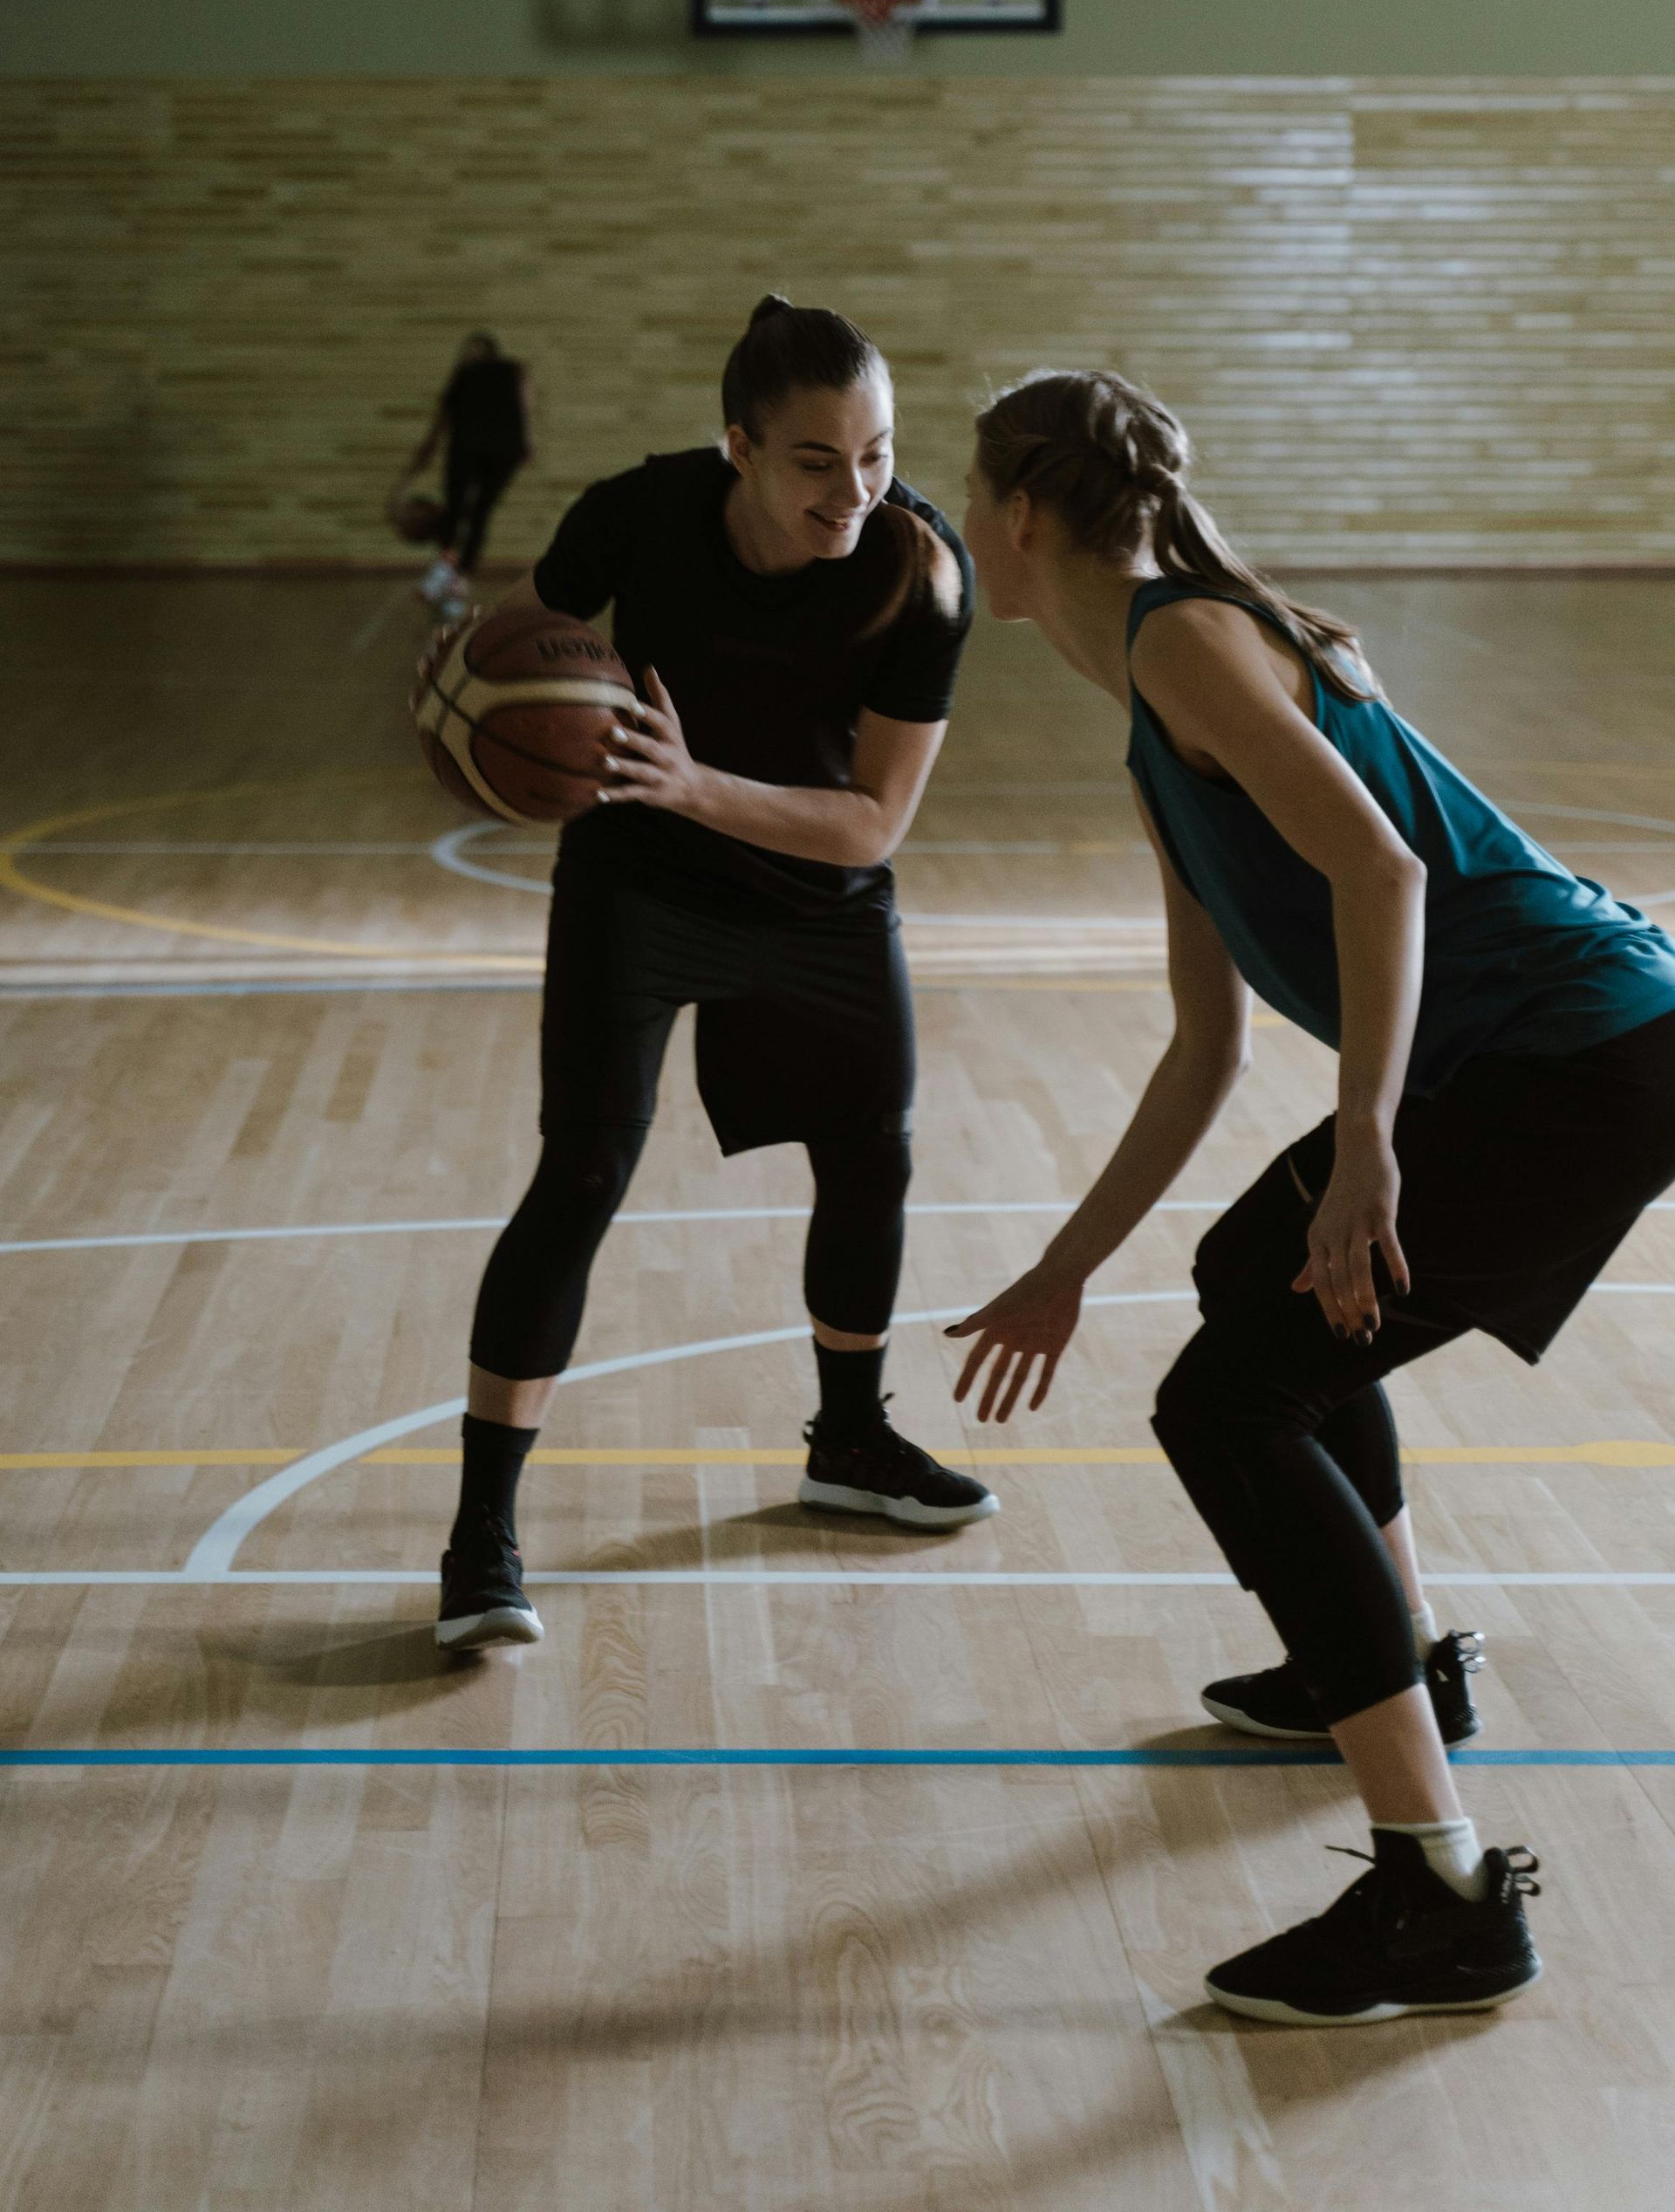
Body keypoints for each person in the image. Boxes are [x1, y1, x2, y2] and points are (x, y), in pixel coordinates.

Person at [946, 366, 1675, 2024]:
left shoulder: (1184, 641)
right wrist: (1061, 1269)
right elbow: (1201, 1048)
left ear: (1026, 517)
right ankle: (1401, 1663)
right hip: (1570, 1053)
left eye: (973, 495)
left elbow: (1384, 869)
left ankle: (1439, 1891)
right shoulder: (1155, 709)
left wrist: (1366, 1141)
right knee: (1240, 1286)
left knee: (1233, 1400)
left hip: (1588, 1058)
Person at [435, 296, 996, 1655]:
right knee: (581, 1174)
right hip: (641, 888)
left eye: (876, 453)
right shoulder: (633, 517)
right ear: (738, 445)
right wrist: (479, 715)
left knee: (875, 1152)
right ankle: (479, 1538)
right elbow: (515, 645)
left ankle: (849, 1443)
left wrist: (691, 784)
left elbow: (871, 821)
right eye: (817, 460)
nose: (854, 489)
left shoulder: (920, 568)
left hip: (818, 886)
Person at [395, 332, 531, 617]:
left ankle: (447, 576)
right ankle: (453, 582)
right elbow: (523, 403)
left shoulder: (470, 376)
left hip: (478, 449)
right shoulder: (504, 373)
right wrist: (526, 442)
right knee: (474, 513)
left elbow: (441, 424)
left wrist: (421, 459)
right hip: (498, 449)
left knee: (465, 512)